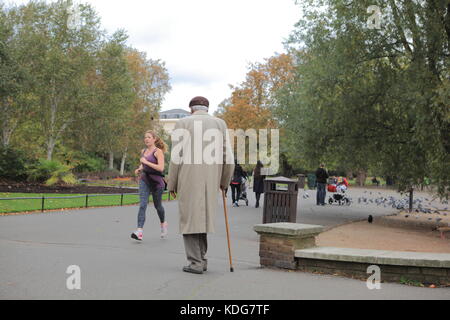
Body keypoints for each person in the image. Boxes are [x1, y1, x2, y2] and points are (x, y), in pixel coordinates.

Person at [167, 96, 234, 274]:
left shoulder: (183, 123)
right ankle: (201, 259)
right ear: (207, 108)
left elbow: (176, 157)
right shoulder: (220, 124)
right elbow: (229, 159)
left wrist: (171, 184)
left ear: (191, 109)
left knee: (190, 220)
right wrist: (224, 183)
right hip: (211, 180)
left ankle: (195, 262)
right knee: (202, 219)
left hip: (188, 178)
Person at [131, 130, 168, 241]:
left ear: (154, 139)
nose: (146, 139)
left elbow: (161, 168)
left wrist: (146, 163)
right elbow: (143, 164)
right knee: (142, 204)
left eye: (149, 137)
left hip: (157, 183)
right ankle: (139, 231)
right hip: (145, 180)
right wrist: (139, 169)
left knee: (158, 206)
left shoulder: (158, 152)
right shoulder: (143, 151)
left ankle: (163, 224)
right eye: (145, 137)